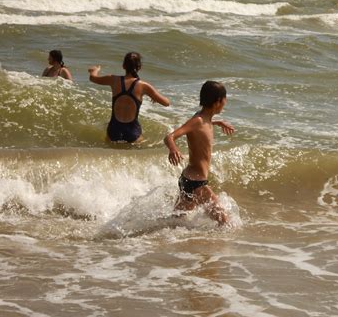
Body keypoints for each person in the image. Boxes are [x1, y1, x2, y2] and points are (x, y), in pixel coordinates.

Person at [164, 80, 234, 225]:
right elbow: (169, 137)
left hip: (188, 180)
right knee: (225, 222)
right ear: (217, 102)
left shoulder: (205, 118)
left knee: (175, 222)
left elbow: (203, 124)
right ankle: (215, 246)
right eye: (224, 99)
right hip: (196, 183)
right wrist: (173, 149)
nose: (226, 102)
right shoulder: (198, 120)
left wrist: (217, 122)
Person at [88, 52, 170, 143]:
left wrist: (94, 70)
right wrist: (154, 96)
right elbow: (166, 103)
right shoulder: (144, 86)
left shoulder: (113, 79)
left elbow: (93, 78)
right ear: (140, 67)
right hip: (133, 131)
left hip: (114, 129)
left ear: (123, 66)